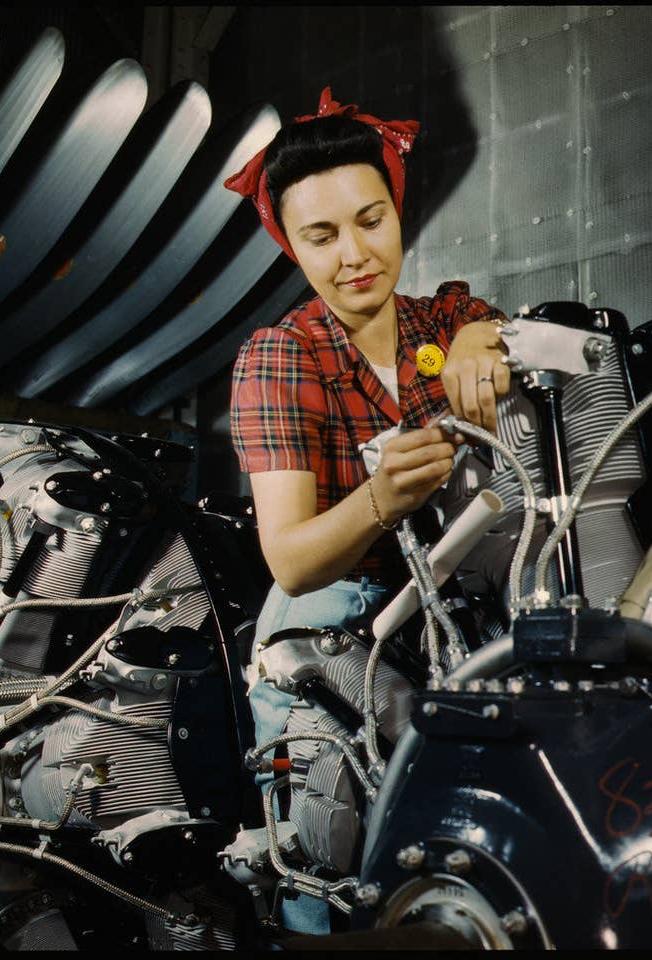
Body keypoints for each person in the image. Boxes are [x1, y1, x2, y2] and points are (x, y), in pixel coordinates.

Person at [225, 87, 509, 932]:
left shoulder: (448, 315)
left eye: (371, 220)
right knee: (334, 879)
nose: (355, 255)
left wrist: (478, 339)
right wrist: (381, 500)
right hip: (329, 639)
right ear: (290, 245)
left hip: (451, 625)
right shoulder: (282, 356)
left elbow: (495, 334)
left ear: (396, 208)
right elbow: (293, 559)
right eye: (321, 236)